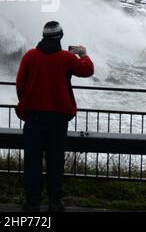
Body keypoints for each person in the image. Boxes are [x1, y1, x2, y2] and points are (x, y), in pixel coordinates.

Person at [16, 21, 94, 213]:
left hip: (34, 118)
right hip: (58, 120)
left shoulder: (30, 56)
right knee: (55, 163)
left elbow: (20, 84)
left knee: (32, 163)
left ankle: (33, 203)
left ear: (43, 36)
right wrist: (83, 54)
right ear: (60, 37)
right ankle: (55, 202)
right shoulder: (66, 58)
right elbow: (87, 70)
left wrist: (29, 104)